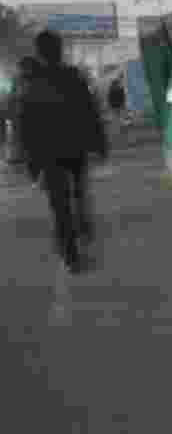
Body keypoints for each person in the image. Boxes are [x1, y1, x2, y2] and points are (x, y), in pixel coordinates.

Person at [18, 30, 109, 273]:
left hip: (49, 155)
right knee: (78, 194)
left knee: (60, 206)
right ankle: (83, 227)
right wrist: (99, 143)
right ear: (59, 50)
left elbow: (26, 124)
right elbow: (90, 111)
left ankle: (71, 256)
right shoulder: (73, 77)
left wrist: (31, 161)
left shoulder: (33, 83)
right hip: (75, 148)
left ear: (39, 52)